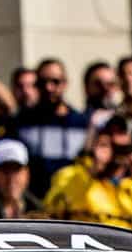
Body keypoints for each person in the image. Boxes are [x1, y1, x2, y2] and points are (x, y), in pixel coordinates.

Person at [42, 122, 132, 232]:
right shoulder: (72, 175)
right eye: (109, 145)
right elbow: (53, 208)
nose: (117, 153)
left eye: (122, 147)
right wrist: (92, 172)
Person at [14, 57, 89, 195]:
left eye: (55, 81)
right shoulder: (22, 121)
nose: (49, 88)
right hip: (35, 203)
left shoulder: (82, 123)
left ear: (65, 83)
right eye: (43, 82)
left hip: (71, 202)